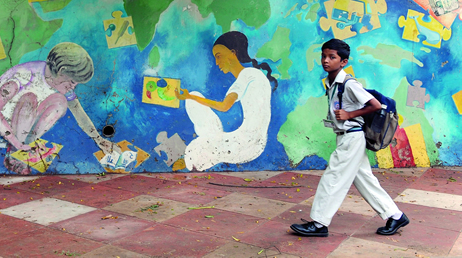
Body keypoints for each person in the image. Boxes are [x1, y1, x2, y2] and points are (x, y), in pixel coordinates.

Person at [290, 39, 409, 237]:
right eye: (323, 56)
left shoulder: (349, 83)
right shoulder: (331, 83)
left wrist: (349, 115)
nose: (326, 61)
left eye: (332, 57)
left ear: (343, 62)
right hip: (345, 137)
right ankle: (395, 215)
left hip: (352, 138)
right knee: (364, 180)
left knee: (333, 176)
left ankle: (319, 223)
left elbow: (375, 105)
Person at [0, 42, 120, 174]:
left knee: (60, 101)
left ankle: (29, 144)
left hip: (24, 123)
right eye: (72, 82)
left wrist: (98, 139)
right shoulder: (24, 76)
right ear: (61, 71)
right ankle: (16, 154)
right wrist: (15, 142)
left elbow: (78, 112)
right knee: (29, 99)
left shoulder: (59, 83)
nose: (73, 87)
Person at [175, 31, 277, 171]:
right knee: (194, 99)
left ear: (233, 53)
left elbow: (224, 107)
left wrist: (191, 97)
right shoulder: (252, 75)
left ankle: (203, 148)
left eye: (219, 56)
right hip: (254, 143)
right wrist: (192, 98)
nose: (217, 63)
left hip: (246, 144)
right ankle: (211, 137)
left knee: (194, 150)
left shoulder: (246, 76)